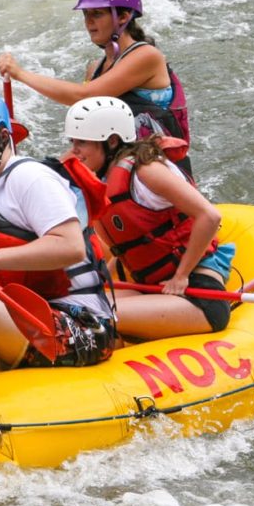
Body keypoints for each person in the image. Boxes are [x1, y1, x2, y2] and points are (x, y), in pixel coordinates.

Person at [0, 89, 116, 371]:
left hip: (83, 325)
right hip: (29, 314)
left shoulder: (30, 178)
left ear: (2, 138)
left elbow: (71, 246)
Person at [64, 96, 234, 340]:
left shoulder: (145, 171)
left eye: (81, 142)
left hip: (197, 294)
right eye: (73, 141)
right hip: (152, 288)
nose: (74, 151)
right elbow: (130, 245)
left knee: (93, 312)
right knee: (71, 304)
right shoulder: (104, 179)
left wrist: (181, 276)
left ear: (111, 141)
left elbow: (209, 215)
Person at [0, 0, 191, 152]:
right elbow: (88, 130)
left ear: (123, 17)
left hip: (153, 166)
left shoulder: (147, 56)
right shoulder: (95, 68)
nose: (89, 22)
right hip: (120, 160)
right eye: (86, 14)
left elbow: (83, 95)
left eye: (97, 14)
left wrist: (20, 74)